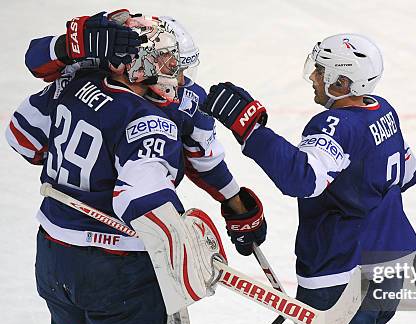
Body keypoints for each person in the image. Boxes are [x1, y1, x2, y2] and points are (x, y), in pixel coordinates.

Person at [6, 18, 231, 324]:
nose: (175, 76)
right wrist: (186, 238)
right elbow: (141, 202)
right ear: (137, 62)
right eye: (166, 63)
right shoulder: (149, 121)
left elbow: (21, 137)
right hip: (117, 272)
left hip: (54, 256)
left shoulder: (72, 81)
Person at [202, 34, 416, 324]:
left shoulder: (335, 123)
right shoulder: (383, 109)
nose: (314, 79)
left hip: (343, 275)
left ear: (343, 81)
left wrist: (251, 131)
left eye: (321, 71)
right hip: (395, 260)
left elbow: (303, 178)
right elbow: (405, 174)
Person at [23, 10, 267, 257]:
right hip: (118, 258)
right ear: (145, 62)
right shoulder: (145, 118)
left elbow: (22, 137)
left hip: (52, 243)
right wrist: (181, 243)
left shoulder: (76, 78)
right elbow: (143, 199)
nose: (182, 81)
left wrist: (235, 202)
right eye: (173, 66)